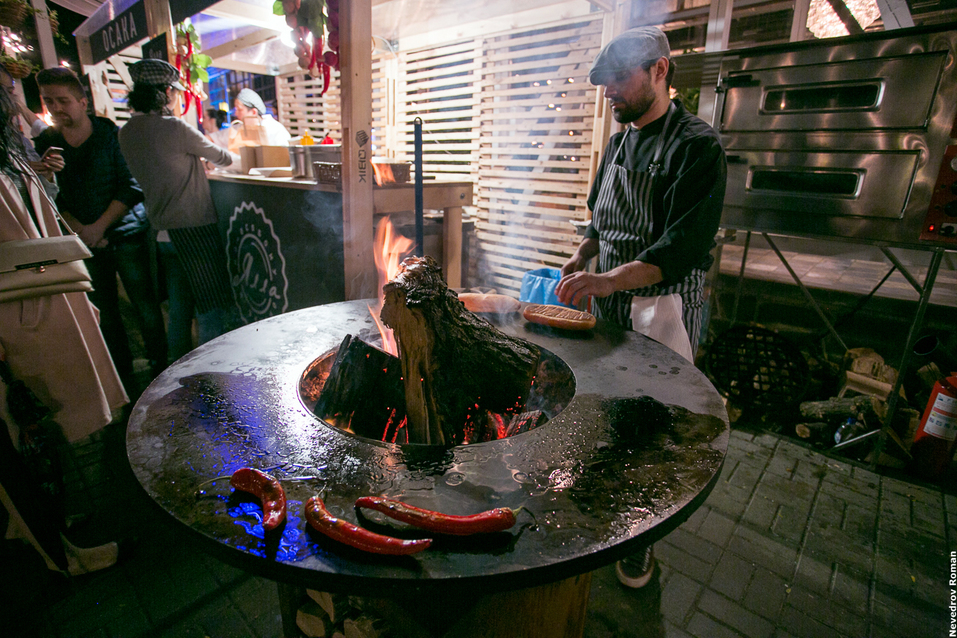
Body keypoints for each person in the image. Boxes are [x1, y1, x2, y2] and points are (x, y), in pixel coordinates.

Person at [555, 27, 727, 588]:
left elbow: (680, 248)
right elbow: (598, 220)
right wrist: (581, 256)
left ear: (659, 70)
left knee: (656, 429)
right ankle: (604, 508)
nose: (609, 92)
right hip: (610, 305)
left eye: (619, 79)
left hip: (662, 308)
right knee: (607, 412)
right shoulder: (618, 143)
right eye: (604, 82)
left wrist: (606, 281)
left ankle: (641, 540)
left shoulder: (697, 147)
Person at [0, 82, 128, 576]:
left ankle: (50, 522)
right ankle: (58, 553)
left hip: (40, 296)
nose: (17, 102)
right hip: (17, 309)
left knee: (38, 425)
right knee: (19, 434)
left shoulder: (14, 153)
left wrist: (39, 179)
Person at [33, 67, 168, 390]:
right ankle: (122, 379)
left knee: (144, 305)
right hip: (83, 239)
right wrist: (81, 230)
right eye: (49, 101)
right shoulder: (47, 143)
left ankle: (162, 372)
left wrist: (98, 228)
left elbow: (132, 185)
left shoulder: (111, 134)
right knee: (104, 312)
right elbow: (51, 195)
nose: (56, 108)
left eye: (63, 100)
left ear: (82, 102)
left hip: (126, 234)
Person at [118, 59, 240, 360]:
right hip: (193, 227)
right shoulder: (173, 127)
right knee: (210, 305)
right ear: (166, 93)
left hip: (161, 230)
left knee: (179, 309)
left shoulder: (126, 131)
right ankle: (212, 368)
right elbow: (223, 158)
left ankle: (178, 372)